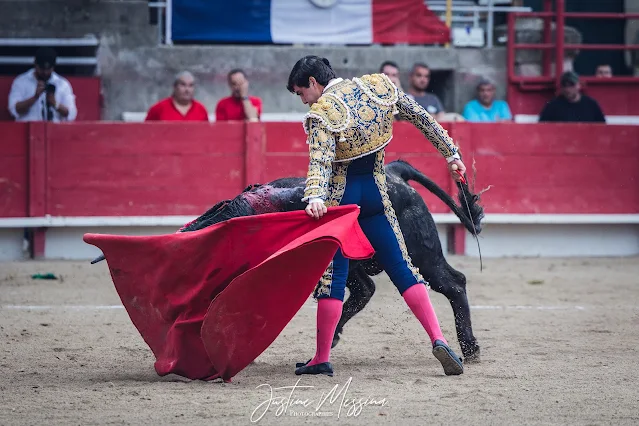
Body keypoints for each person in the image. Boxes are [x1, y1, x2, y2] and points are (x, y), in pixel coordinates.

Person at [287, 55, 466, 377]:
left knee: (334, 278)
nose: (304, 100)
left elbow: (320, 161)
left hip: (341, 202)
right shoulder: (378, 87)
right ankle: (438, 338)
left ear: (313, 82)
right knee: (402, 267)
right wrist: (451, 154)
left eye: (302, 92)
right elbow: (421, 117)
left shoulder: (322, 113)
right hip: (376, 194)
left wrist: (314, 196)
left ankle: (322, 358)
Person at [8, 47, 77, 122]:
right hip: (27, 128)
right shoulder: (21, 81)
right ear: (35, 64)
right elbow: (14, 110)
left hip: (54, 128)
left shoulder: (62, 84)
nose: (45, 72)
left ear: (53, 67)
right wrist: (35, 97)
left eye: (48, 69)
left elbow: (71, 114)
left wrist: (54, 103)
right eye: (42, 69)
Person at [538, 71, 606, 123]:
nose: (568, 89)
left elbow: (602, 128)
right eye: (565, 85)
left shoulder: (591, 105)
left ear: (579, 85)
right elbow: (542, 128)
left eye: (571, 85)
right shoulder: (552, 106)